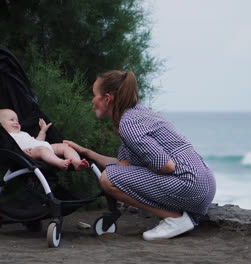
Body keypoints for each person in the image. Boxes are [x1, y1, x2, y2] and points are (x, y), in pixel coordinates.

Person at [64, 70, 216, 241]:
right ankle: (178, 216)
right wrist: (86, 152)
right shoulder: (136, 114)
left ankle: (175, 219)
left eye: (94, 95)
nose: (92, 101)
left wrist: (143, 172)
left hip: (191, 184)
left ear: (107, 98)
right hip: (202, 184)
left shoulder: (128, 124)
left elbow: (167, 166)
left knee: (107, 179)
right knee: (112, 176)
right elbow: (123, 167)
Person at [0, 108, 89, 171]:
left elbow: (38, 142)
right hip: (31, 153)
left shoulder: (23, 133)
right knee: (42, 150)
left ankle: (76, 162)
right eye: (11, 120)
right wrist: (20, 153)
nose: (16, 122)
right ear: (0, 125)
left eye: (17, 120)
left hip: (41, 147)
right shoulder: (7, 136)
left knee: (65, 146)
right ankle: (60, 163)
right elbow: (11, 148)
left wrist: (43, 131)